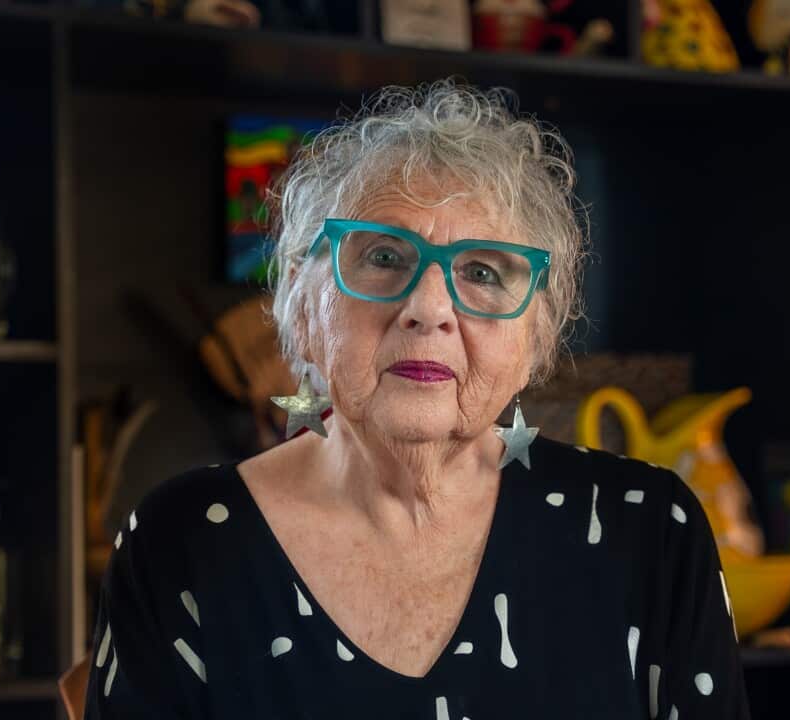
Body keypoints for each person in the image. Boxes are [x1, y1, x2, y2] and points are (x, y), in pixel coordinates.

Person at [84, 79, 749, 719]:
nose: (428, 309)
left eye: (483, 271)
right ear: (301, 302)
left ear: (537, 335)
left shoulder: (651, 533)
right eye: (382, 257)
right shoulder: (185, 541)